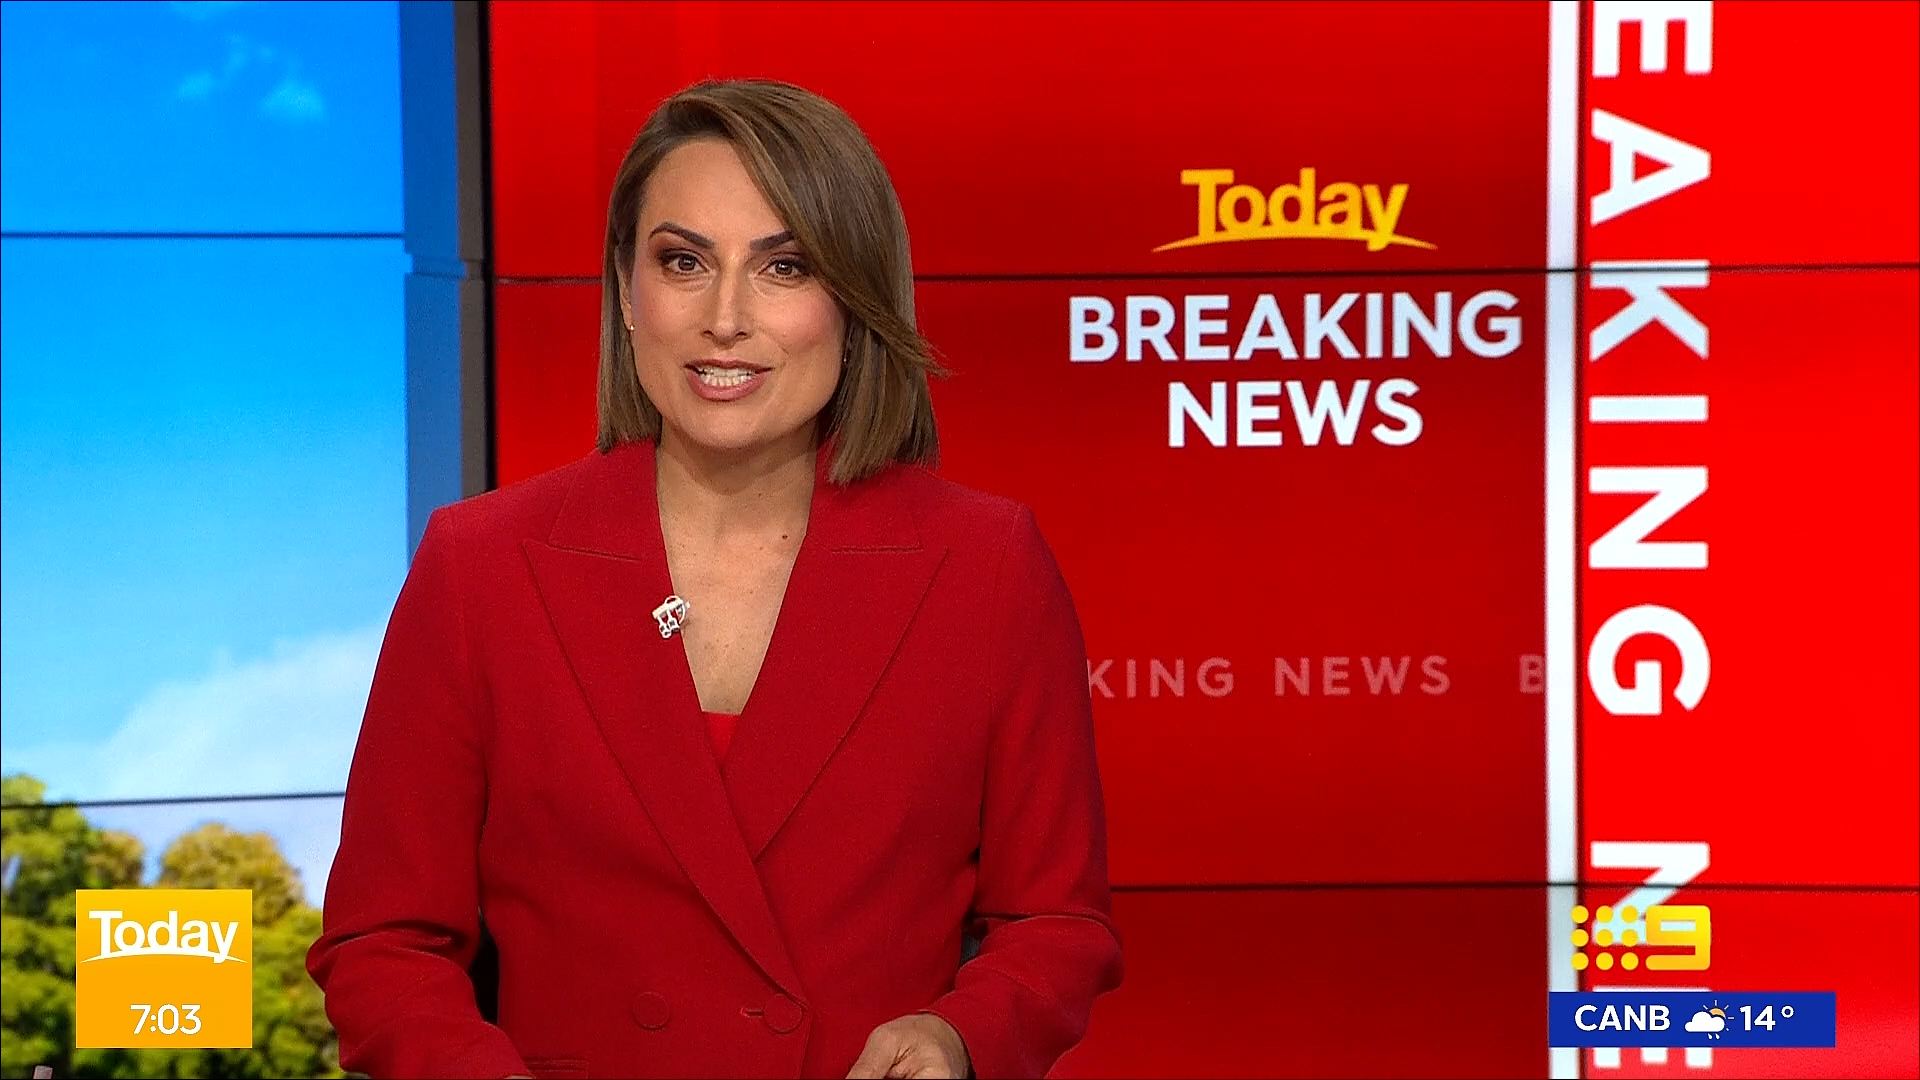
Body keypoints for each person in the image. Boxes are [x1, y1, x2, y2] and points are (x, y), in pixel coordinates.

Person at [305, 78, 1122, 1079]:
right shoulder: (480, 565)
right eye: (683, 262)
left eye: (784, 266)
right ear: (627, 291)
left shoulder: (985, 565)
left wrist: (960, 1037)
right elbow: (383, 944)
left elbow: (1055, 923)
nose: (725, 318)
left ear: (853, 298)